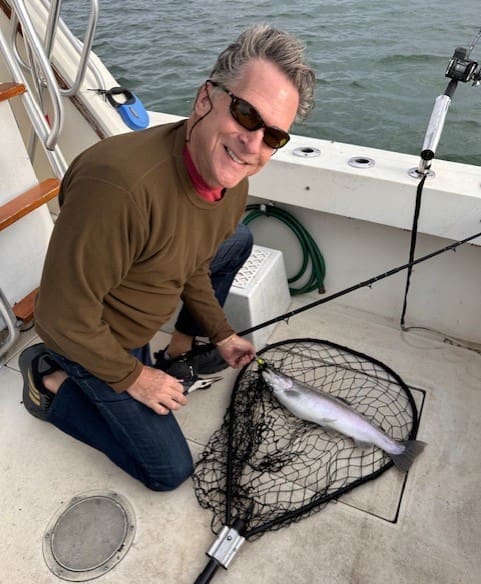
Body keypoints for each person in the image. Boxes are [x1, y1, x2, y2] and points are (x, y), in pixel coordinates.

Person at [19, 24, 315, 491]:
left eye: (274, 136)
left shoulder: (231, 185)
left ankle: (177, 352)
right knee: (168, 471)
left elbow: (192, 260)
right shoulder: (118, 189)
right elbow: (58, 316)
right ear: (205, 99)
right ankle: (50, 383)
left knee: (235, 240)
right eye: (245, 114)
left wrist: (220, 333)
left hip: (138, 315)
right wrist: (135, 377)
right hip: (94, 339)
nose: (252, 145)